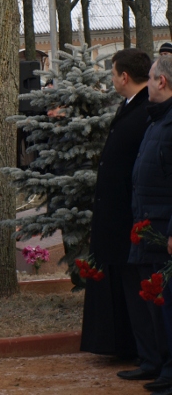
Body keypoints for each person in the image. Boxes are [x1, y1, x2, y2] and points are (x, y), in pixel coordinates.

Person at [82, 49, 151, 363]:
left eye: (112, 74)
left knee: (132, 287)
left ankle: (138, 350)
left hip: (128, 215)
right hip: (114, 214)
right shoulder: (130, 107)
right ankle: (121, 344)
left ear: (124, 76)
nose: (110, 79)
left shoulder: (146, 109)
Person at [125, 55, 172, 391]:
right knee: (156, 305)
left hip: (163, 230)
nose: (148, 84)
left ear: (162, 82)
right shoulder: (157, 121)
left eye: (151, 78)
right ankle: (160, 364)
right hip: (148, 226)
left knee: (168, 305)